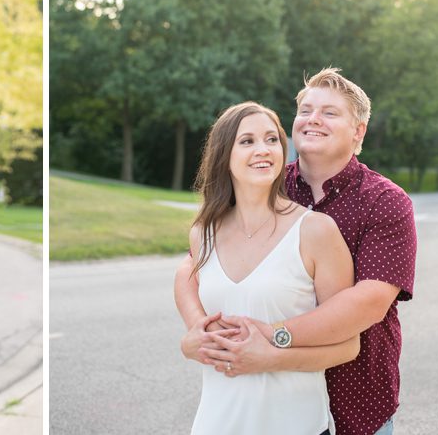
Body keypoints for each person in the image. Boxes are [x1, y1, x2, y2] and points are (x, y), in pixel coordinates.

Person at [175, 68, 417, 435]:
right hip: (256, 403)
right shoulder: (266, 181)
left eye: (330, 112)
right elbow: (192, 268)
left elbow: (369, 302)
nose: (313, 119)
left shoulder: (384, 202)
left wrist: (271, 339)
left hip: (357, 397)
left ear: (358, 131)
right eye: (306, 110)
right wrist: (200, 333)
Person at [183, 101, 357, 434]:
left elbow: (348, 345)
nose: (263, 150)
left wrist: (269, 357)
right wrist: (191, 343)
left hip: (297, 424)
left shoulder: (315, 231)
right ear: (224, 155)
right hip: (217, 423)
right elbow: (194, 306)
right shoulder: (202, 234)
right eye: (247, 141)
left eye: (272, 139)